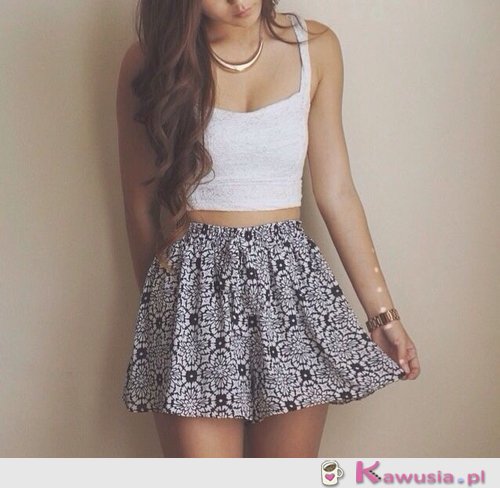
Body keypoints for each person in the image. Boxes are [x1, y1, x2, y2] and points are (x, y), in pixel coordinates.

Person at [116, 0, 420, 458]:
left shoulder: (316, 47)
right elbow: (140, 204)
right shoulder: (149, 62)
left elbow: (337, 193)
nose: (240, 2)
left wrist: (383, 314)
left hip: (290, 290)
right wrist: (162, 314)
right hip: (191, 294)